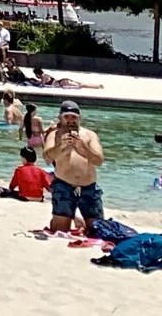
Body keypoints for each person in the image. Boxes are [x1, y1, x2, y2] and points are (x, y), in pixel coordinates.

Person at [42, 100, 105, 235]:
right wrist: (61, 146)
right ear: (61, 118)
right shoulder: (55, 134)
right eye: (67, 117)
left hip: (89, 186)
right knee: (60, 231)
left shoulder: (90, 135)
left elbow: (99, 160)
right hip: (64, 185)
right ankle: (72, 218)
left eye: (73, 117)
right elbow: (47, 158)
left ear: (79, 118)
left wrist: (84, 148)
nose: (70, 120)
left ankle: (79, 221)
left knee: (98, 230)